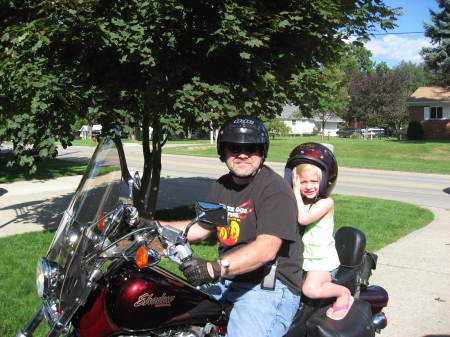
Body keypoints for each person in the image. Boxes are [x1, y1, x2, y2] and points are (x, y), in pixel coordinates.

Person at [160, 116, 302, 337]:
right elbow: (200, 228)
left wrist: (213, 268)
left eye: (252, 148)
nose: (243, 154)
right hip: (230, 278)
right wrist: (151, 226)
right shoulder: (221, 185)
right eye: (234, 147)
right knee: (171, 316)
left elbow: (267, 248)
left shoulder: (275, 190)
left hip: (268, 286)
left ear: (262, 151)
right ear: (223, 151)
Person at [284, 142, 353, 320]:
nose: (309, 186)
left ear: (324, 181)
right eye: (303, 182)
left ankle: (343, 294)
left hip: (322, 261)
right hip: (304, 258)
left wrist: (296, 191)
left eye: (314, 181)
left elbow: (303, 218)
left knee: (310, 290)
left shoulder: (326, 203)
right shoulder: (301, 202)